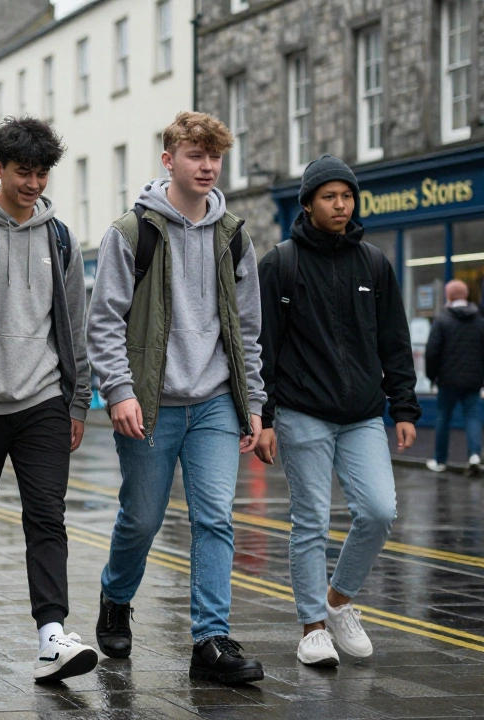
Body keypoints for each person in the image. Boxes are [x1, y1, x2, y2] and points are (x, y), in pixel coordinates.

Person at [86, 111, 266, 685]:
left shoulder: (235, 236)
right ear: (169, 160)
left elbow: (249, 330)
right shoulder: (130, 233)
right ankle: (116, 597)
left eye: (215, 156)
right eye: (196, 154)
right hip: (151, 403)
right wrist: (117, 391)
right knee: (141, 519)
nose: (207, 165)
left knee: (215, 519)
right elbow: (105, 321)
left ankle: (210, 639)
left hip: (214, 400)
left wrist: (253, 404)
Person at [0, 117, 97, 683]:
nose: (32, 183)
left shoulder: (60, 238)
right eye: (22, 172)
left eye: (40, 173)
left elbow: (73, 325)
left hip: (44, 400)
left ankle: (52, 633)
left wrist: (77, 403)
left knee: (47, 516)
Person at [255, 155, 418, 667]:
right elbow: (262, 345)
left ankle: (340, 600)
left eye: (346, 196)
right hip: (303, 411)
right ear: (308, 204)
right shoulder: (281, 263)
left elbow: (394, 339)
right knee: (311, 522)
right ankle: (312, 629)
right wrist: (262, 418)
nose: (340, 204)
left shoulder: (374, 263)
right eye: (329, 196)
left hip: (364, 413)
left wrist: (405, 406)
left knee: (378, 510)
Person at [424, 279, 484, 473]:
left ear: (448, 296)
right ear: (466, 295)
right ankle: (474, 455)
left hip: (448, 379)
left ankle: (440, 461)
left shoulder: (442, 320)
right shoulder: (479, 321)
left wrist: (431, 377)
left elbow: (432, 351)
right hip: (473, 379)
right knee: (473, 416)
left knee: (443, 417)